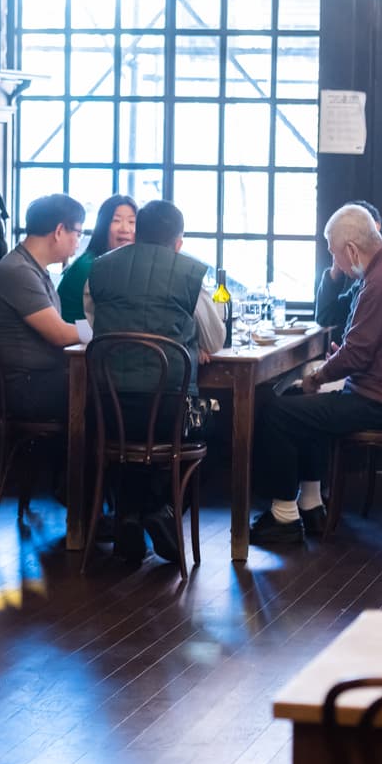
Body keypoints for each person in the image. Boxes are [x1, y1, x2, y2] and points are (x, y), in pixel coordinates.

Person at [250, 203, 382, 544]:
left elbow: (358, 353)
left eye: (335, 254)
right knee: (301, 404)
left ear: (351, 249)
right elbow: (366, 347)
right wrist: (336, 366)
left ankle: (283, 517)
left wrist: (318, 376)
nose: (336, 262)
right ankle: (310, 505)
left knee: (276, 411)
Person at [82, 200, 224, 562]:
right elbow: (215, 339)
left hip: (107, 409)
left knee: (131, 445)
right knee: (215, 425)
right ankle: (161, 508)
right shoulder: (188, 273)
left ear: (138, 234)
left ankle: (129, 514)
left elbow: (98, 325)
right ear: (178, 242)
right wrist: (187, 342)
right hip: (172, 412)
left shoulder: (98, 269)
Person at [0, 193, 84, 422]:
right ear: (59, 231)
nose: (78, 241)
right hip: (29, 386)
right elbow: (59, 334)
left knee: (105, 386)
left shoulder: (33, 268)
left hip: (42, 379)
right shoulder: (18, 271)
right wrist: (101, 327)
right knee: (104, 391)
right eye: (77, 233)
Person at [57, 195, 137, 322]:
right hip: (76, 338)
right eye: (116, 220)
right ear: (103, 226)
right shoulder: (89, 266)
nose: (125, 229)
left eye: (132, 222)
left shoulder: (120, 265)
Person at [314, 199, 382, 332]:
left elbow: (361, 342)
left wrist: (343, 353)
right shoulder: (365, 277)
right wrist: (336, 267)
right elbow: (325, 315)